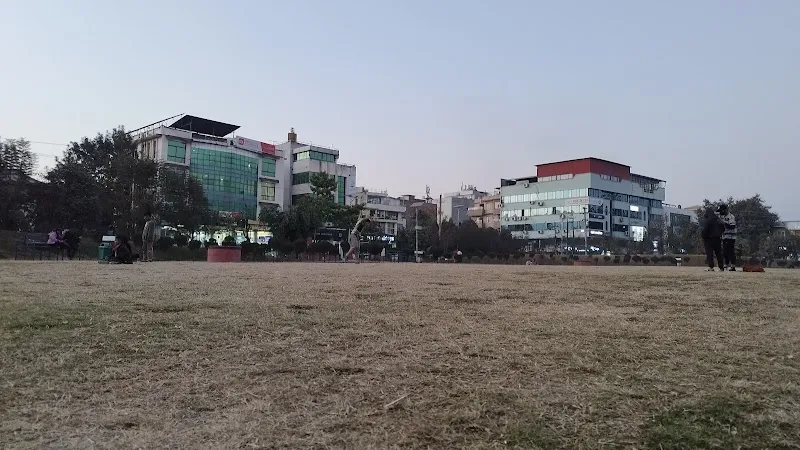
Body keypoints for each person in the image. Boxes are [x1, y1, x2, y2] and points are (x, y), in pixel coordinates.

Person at [718, 204, 737, 271]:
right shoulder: (721, 217)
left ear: (725, 210)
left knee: (730, 251)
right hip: (724, 236)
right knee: (725, 251)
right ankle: (726, 264)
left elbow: (732, 226)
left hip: (731, 237)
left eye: (722, 210)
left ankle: (733, 265)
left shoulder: (731, 217)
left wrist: (724, 223)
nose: (721, 212)